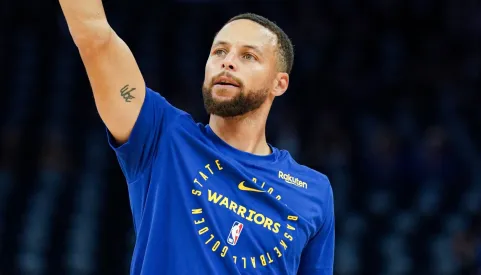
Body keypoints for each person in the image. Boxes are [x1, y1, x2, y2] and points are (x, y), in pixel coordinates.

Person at [59, 0, 335, 273]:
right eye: (219, 51)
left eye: (248, 56)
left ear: (279, 83)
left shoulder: (313, 191)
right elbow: (95, 34)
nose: (227, 62)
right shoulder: (162, 136)